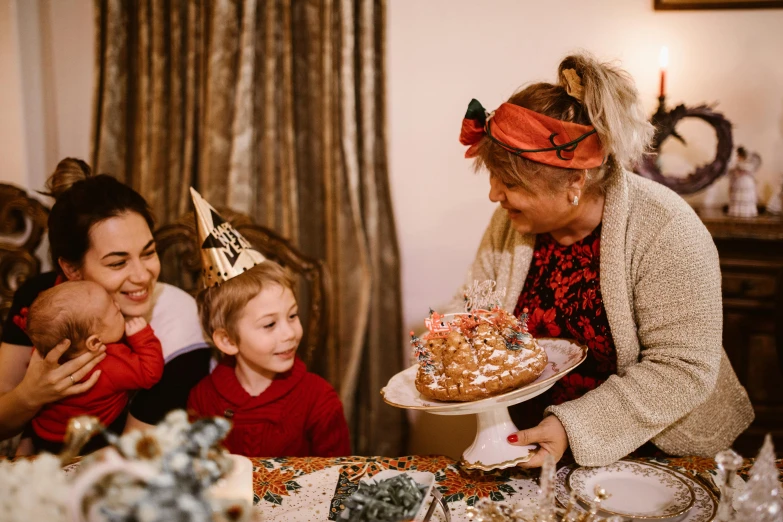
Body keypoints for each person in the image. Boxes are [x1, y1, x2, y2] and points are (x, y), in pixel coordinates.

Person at [456, 53, 754, 467]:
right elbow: (476, 308)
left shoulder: (664, 227)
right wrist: (453, 344)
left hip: (658, 450)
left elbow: (682, 368)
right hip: (533, 446)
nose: (494, 195)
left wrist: (571, 428)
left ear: (574, 182)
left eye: (509, 182)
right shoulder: (510, 222)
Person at [0, 158, 208, 445]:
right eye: (117, 262)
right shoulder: (39, 300)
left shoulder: (180, 327)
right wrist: (30, 395)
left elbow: (130, 458)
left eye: (148, 253)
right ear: (71, 269)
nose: (142, 276)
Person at [186, 189, 350, 457]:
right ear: (227, 340)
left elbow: (339, 478)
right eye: (269, 325)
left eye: (293, 316)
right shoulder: (203, 399)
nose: (290, 333)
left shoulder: (319, 400)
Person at [21, 281, 163, 453]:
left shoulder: (46, 355)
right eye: (116, 311)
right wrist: (142, 336)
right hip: (91, 440)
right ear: (94, 342)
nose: (118, 306)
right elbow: (150, 374)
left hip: (44, 433)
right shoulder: (110, 363)